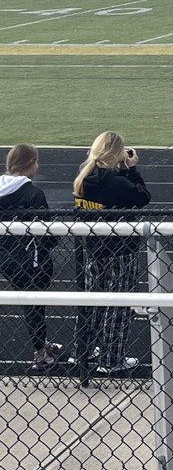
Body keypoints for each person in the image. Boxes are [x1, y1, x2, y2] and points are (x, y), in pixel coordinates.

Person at [74, 132, 150, 374]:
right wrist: (131, 170)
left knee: (91, 301)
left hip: (93, 249)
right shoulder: (117, 182)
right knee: (119, 304)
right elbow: (142, 197)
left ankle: (83, 352)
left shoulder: (83, 179)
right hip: (120, 250)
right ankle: (111, 358)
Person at [1, 144, 62, 371]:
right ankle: (40, 352)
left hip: (4, 256)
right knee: (35, 304)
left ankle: (41, 344)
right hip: (30, 258)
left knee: (29, 302)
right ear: (31, 163)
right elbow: (44, 231)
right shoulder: (33, 194)